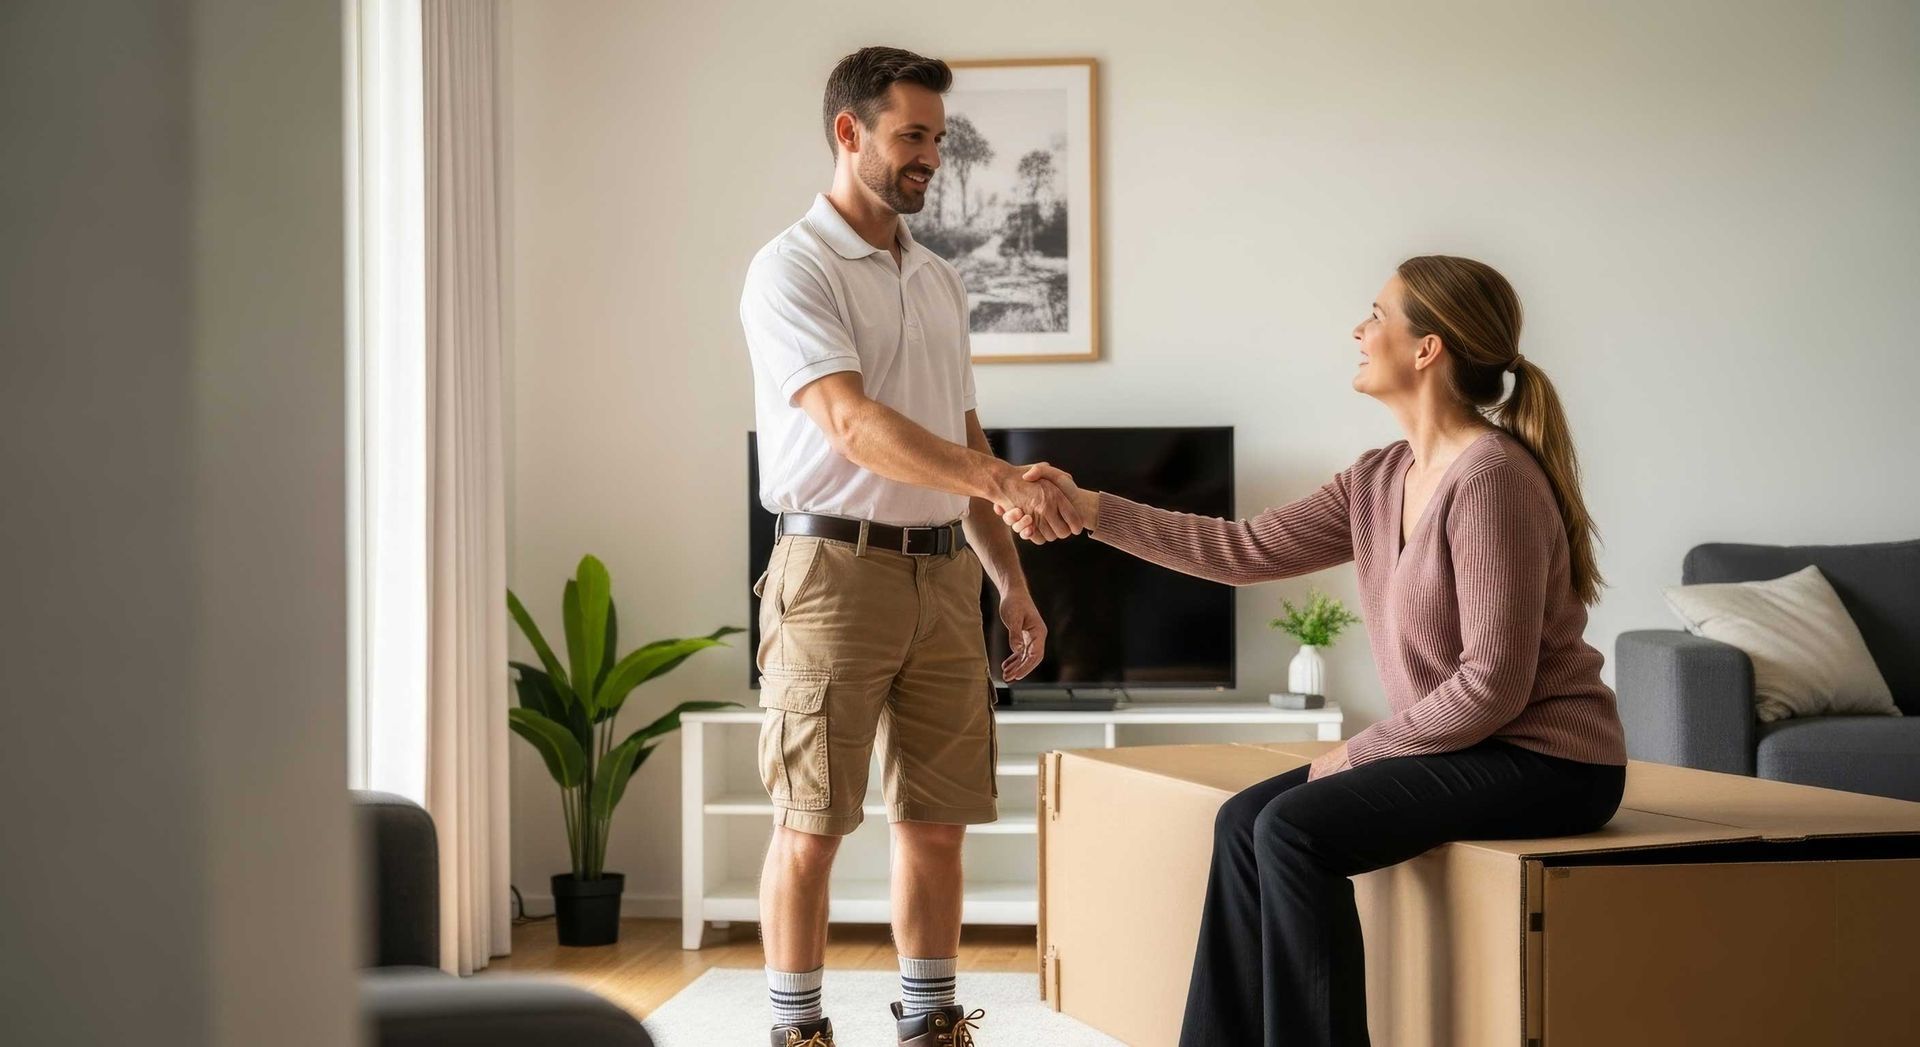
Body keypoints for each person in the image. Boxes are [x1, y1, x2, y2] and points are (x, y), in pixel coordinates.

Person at [1002, 256, 1630, 1047]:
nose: (1359, 330)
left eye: (1377, 314)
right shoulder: (1381, 477)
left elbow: (1493, 685)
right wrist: (1090, 508)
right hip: (1470, 746)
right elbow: (1241, 549)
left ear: (1427, 348)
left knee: (1294, 829)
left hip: (1551, 762)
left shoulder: (1492, 478)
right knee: (1243, 820)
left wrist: (1358, 751)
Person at [740, 45, 1080, 1047]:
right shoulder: (790, 268)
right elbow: (853, 425)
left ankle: (933, 1024)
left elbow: (960, 440)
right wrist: (1003, 483)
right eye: (912, 136)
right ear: (850, 133)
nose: (930, 155)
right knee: (813, 823)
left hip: (942, 576)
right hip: (831, 575)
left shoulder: (935, 278)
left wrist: (1008, 580)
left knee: (937, 822)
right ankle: (797, 1031)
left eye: (935, 136)